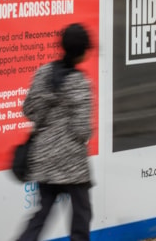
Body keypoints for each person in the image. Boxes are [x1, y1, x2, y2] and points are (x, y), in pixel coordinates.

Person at [18, 23, 94, 241]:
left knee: (41, 215)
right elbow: (81, 130)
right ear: (81, 52)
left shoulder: (43, 73)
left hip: (43, 159)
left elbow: (29, 109)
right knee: (81, 213)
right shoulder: (79, 83)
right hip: (71, 164)